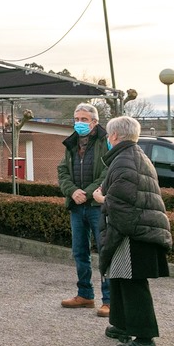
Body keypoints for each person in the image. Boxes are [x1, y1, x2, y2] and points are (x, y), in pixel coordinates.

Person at [92, 115, 171, 346]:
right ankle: (122, 325)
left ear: (115, 136)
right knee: (119, 278)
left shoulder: (124, 160)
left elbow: (122, 202)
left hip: (133, 232)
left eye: (108, 135)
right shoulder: (133, 155)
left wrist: (101, 199)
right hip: (139, 228)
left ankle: (145, 340)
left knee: (132, 283)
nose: (107, 138)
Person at [57, 103, 111, 316]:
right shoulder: (71, 144)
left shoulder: (105, 142)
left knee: (104, 252)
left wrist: (86, 193)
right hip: (76, 207)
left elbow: (107, 172)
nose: (79, 123)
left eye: (84, 119)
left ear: (94, 122)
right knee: (80, 252)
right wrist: (72, 192)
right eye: (76, 119)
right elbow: (62, 171)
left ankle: (109, 300)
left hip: (97, 206)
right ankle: (85, 295)